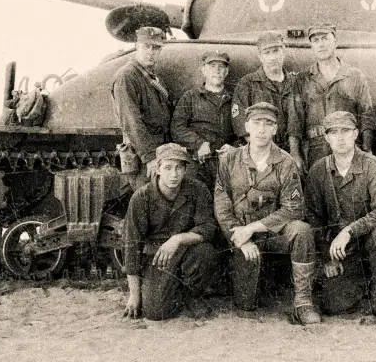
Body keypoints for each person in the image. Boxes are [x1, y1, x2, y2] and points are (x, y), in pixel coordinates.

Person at [214, 102, 321, 325]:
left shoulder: (285, 162)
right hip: (241, 238)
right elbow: (222, 207)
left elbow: (293, 208)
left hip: (273, 235)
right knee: (246, 306)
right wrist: (241, 239)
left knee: (302, 231)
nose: (262, 129)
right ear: (247, 127)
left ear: (275, 129)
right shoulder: (229, 160)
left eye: (268, 124)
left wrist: (252, 228)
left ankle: (303, 303)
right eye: (256, 123)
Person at [305, 111, 376, 322]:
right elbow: (313, 220)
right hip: (342, 253)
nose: (340, 137)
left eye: (346, 131)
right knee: (334, 305)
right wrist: (327, 258)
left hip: (368, 243)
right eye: (334, 132)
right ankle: (361, 283)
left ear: (356, 134)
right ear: (326, 137)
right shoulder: (318, 171)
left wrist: (350, 231)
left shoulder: (372, 166)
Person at [123, 143, 217, 321]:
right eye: (167, 168)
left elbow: (208, 228)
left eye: (179, 168)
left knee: (206, 253)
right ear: (157, 169)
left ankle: (192, 296)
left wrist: (178, 239)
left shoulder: (197, 190)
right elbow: (131, 245)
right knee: (155, 313)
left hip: (186, 250)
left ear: (185, 169)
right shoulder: (142, 198)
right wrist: (134, 295)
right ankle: (164, 290)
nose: (174, 174)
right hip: (157, 257)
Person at [288, 24, 375, 171]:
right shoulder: (302, 80)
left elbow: (366, 115)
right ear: (311, 46)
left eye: (325, 38)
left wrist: (367, 149)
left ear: (335, 41)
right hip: (316, 150)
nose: (321, 44)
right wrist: (295, 154)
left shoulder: (354, 76)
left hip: (349, 147)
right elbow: (295, 121)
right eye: (315, 40)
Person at [112, 26, 171, 190]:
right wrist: (150, 156)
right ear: (137, 47)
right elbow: (131, 122)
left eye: (156, 48)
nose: (151, 52)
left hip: (157, 149)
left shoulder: (152, 76)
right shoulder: (127, 77)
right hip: (143, 153)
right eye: (146, 46)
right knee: (147, 201)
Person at [171, 50, 236, 190]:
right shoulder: (190, 97)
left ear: (226, 72)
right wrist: (199, 144)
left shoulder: (234, 99)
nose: (217, 71)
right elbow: (177, 127)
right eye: (212, 66)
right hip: (197, 162)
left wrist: (234, 148)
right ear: (203, 70)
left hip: (225, 163)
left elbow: (243, 130)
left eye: (221, 67)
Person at [231, 32, 296, 150]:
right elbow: (239, 120)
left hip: (293, 150)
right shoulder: (247, 84)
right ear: (260, 57)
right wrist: (263, 148)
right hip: (260, 149)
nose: (273, 57)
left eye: (276, 51)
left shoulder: (296, 83)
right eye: (267, 52)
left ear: (284, 51)